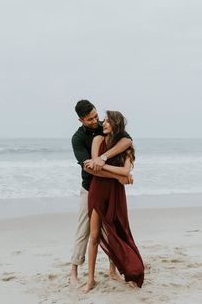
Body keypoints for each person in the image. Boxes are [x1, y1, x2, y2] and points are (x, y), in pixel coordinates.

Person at [70, 100, 133, 287]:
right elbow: (89, 168)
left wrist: (103, 158)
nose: (95, 121)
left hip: (111, 188)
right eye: (90, 119)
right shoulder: (78, 138)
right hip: (90, 187)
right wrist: (118, 177)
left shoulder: (103, 127)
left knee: (113, 227)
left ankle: (112, 269)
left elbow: (127, 140)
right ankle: (73, 271)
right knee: (85, 230)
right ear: (80, 120)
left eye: (96, 116)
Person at [82, 110, 144, 293]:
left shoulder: (124, 146)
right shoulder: (97, 140)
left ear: (116, 125)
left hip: (116, 193)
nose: (104, 123)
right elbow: (94, 167)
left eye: (108, 121)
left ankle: (114, 270)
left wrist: (104, 163)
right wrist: (114, 173)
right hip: (97, 191)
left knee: (117, 230)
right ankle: (91, 279)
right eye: (104, 120)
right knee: (94, 236)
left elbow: (125, 172)